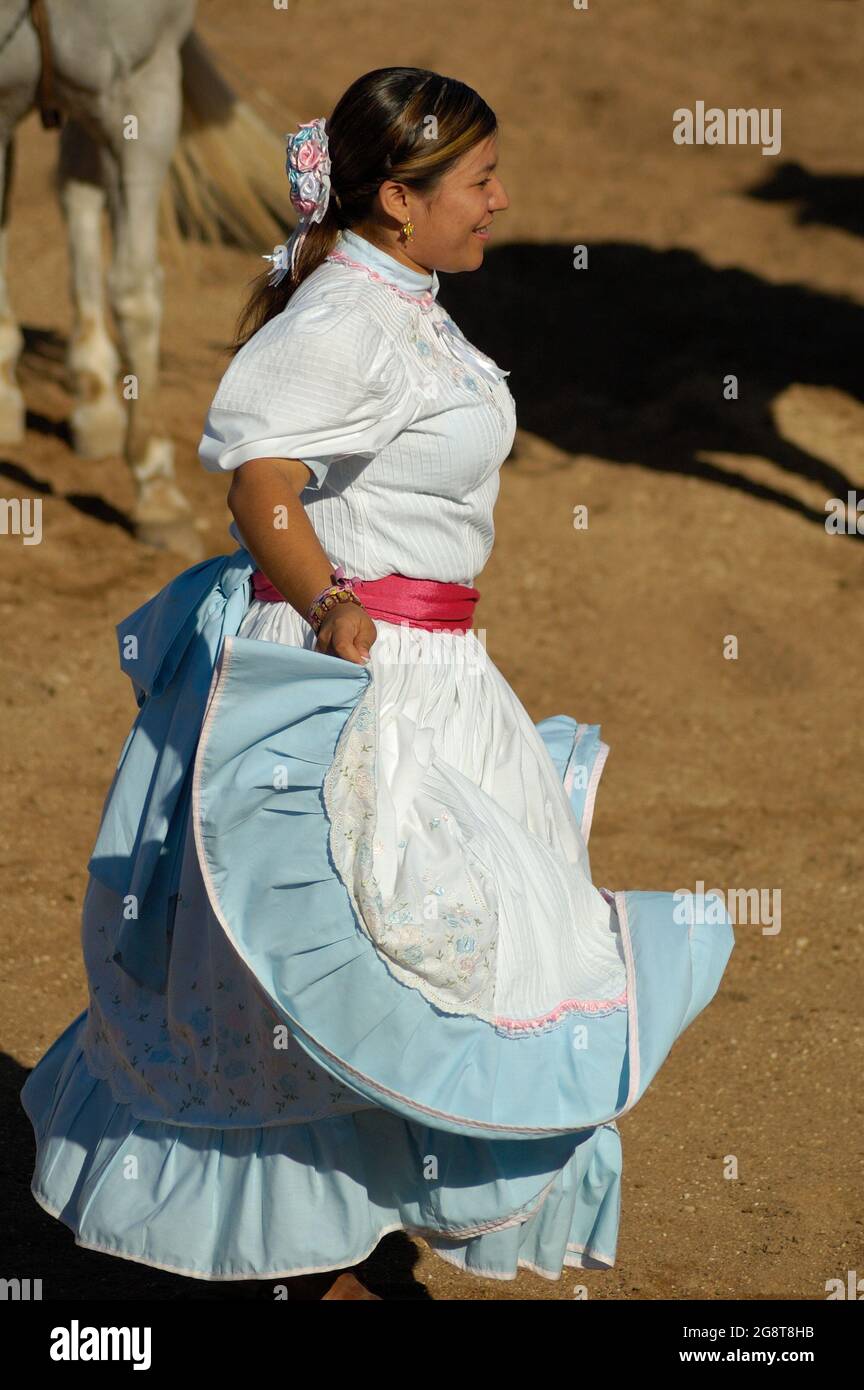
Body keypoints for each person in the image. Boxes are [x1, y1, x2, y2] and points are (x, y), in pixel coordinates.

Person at [21, 67, 734, 1298]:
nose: (503, 201)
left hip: (434, 671)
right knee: (364, 954)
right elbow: (262, 483)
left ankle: (345, 1217)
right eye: (479, 181)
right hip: (358, 676)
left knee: (426, 947)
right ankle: (289, 1243)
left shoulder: (401, 297)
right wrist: (335, 606)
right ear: (397, 199)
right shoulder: (345, 319)